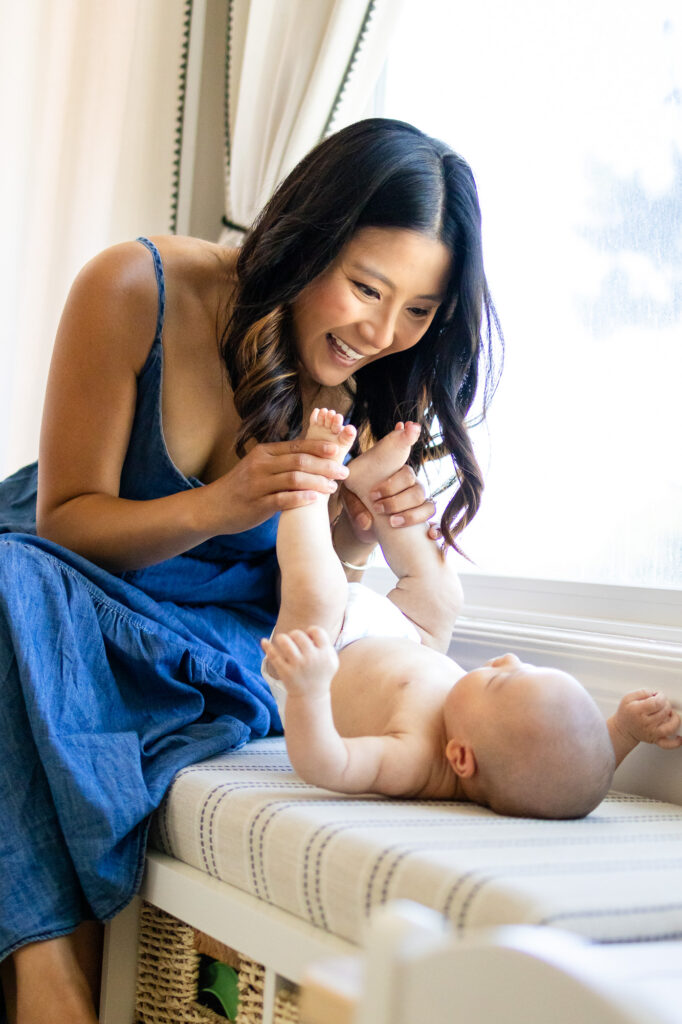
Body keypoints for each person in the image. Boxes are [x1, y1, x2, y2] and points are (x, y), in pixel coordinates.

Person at [0, 118, 501, 1023]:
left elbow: (307, 591)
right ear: (306, 238)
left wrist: (350, 532)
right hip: (61, 583)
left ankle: (46, 977)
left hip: (209, 642)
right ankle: (48, 972)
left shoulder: (382, 377)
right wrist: (221, 504)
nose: (383, 331)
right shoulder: (137, 286)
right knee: (8, 590)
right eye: (364, 287)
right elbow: (61, 527)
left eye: (419, 311)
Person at [262, 408, 682, 817]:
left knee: (318, 593)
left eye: (500, 680)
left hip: (328, 652)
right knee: (442, 597)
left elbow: (326, 764)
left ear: (461, 757)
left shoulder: (413, 758)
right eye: (522, 666)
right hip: (410, 637)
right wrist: (624, 731)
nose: (506, 659)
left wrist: (309, 690)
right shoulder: (492, 734)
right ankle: (374, 486)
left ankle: (312, 481)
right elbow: (578, 760)